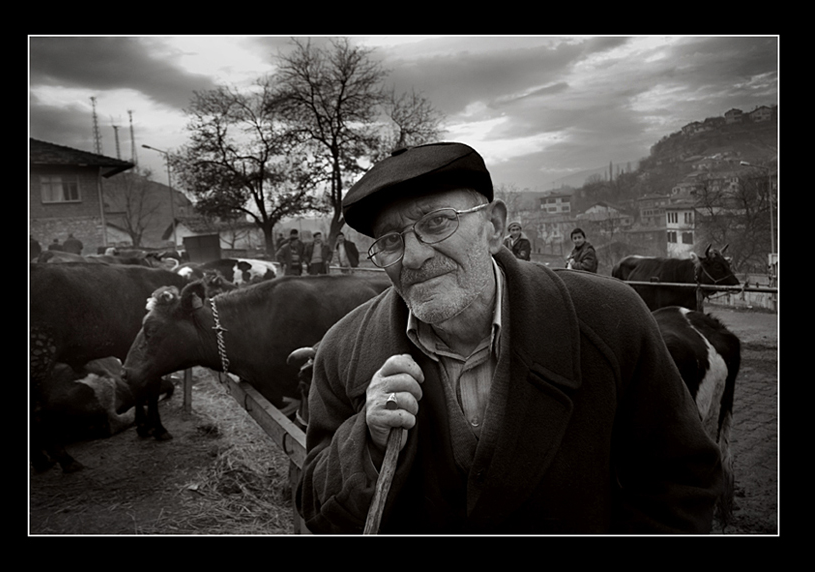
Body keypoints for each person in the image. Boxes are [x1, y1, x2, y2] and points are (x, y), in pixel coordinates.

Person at [296, 142, 722, 535]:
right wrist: (366, 442)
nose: (414, 255)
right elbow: (315, 508)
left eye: (436, 222)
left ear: (494, 226)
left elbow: (680, 482)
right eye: (390, 240)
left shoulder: (609, 321)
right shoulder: (341, 353)